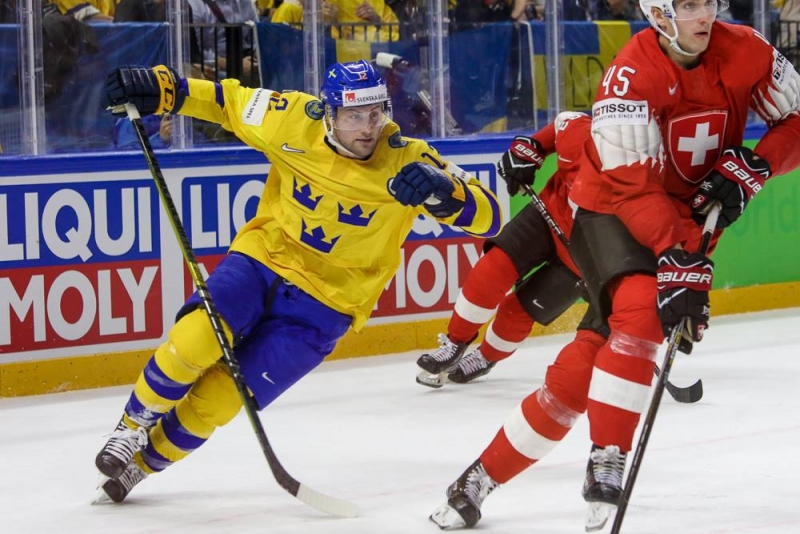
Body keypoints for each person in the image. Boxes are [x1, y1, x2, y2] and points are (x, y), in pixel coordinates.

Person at [429, 0, 800, 529]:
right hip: (610, 211)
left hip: (683, 222)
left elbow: (797, 120)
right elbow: (632, 188)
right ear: (658, 14)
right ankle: (609, 455)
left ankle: (478, 478)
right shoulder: (630, 75)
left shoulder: (748, 50)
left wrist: (761, 163)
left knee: (591, 359)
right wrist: (674, 254)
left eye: (709, 2)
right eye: (689, 5)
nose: (705, 15)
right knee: (642, 312)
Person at [92, 59, 502, 504]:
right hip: (264, 259)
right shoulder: (290, 116)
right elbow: (227, 102)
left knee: (224, 399)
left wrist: (445, 191)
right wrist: (164, 89)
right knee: (194, 341)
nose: (367, 127)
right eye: (353, 115)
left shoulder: (408, 157)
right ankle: (132, 427)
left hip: (328, 305)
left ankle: (144, 465)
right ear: (328, 112)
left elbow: (491, 216)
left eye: (375, 112)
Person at [415, 112, 589, 389]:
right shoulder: (580, 130)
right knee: (493, 267)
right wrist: (525, 154)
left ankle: (485, 358)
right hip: (547, 216)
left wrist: (615, 272)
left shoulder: (651, 170)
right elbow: (547, 135)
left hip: (588, 256)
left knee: (517, 312)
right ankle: (455, 341)